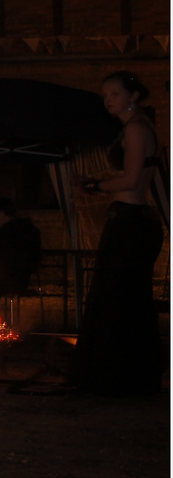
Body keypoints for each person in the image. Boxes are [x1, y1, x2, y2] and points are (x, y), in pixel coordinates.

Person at [72, 71, 165, 396]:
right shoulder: (134, 129)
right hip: (129, 219)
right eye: (105, 95)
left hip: (130, 222)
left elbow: (131, 180)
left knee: (120, 297)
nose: (108, 100)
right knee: (122, 297)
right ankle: (123, 376)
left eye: (114, 93)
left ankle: (121, 378)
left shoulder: (138, 129)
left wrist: (95, 186)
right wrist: (96, 181)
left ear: (133, 96)